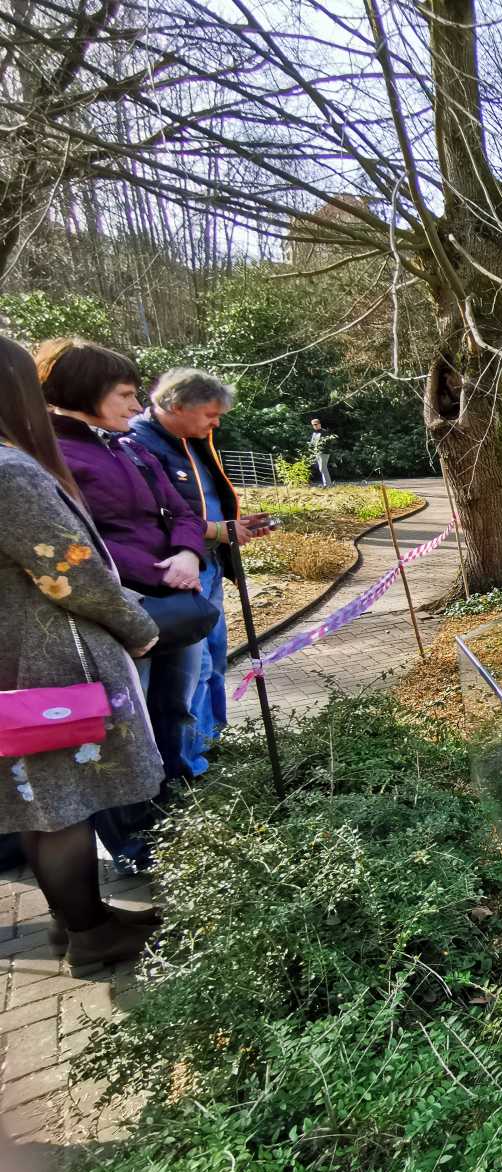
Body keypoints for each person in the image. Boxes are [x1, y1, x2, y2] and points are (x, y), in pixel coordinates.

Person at [0, 335, 163, 966]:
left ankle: (76, 919)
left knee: (44, 802)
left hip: (19, 658)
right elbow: (72, 571)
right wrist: (137, 626)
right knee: (60, 804)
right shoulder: (12, 473)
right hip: (45, 662)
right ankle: (91, 935)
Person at [36, 339, 212, 871]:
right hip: (121, 607)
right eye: (127, 395)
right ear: (86, 391)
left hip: (172, 598)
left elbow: (181, 508)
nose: (138, 408)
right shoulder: (51, 456)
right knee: (123, 728)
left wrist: (186, 551)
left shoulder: (127, 446)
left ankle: (177, 808)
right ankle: (133, 841)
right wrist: (147, 573)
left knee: (171, 707)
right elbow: (72, 545)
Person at [130, 370, 270, 775]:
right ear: (176, 406)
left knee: (214, 659)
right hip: (178, 574)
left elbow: (204, 505)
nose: (216, 423)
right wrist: (217, 531)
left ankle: (210, 741)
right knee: (195, 669)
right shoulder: (139, 446)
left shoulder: (192, 442)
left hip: (209, 563)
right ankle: (187, 765)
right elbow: (166, 516)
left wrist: (233, 527)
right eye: (210, 414)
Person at [309, 417, 332, 487]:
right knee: (321, 468)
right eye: (313, 425)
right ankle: (326, 484)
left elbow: (328, 443)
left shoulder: (324, 432)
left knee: (323, 468)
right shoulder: (314, 433)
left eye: (316, 424)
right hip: (317, 453)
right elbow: (312, 443)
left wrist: (321, 448)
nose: (315, 426)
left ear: (319, 424)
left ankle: (327, 485)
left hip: (324, 452)